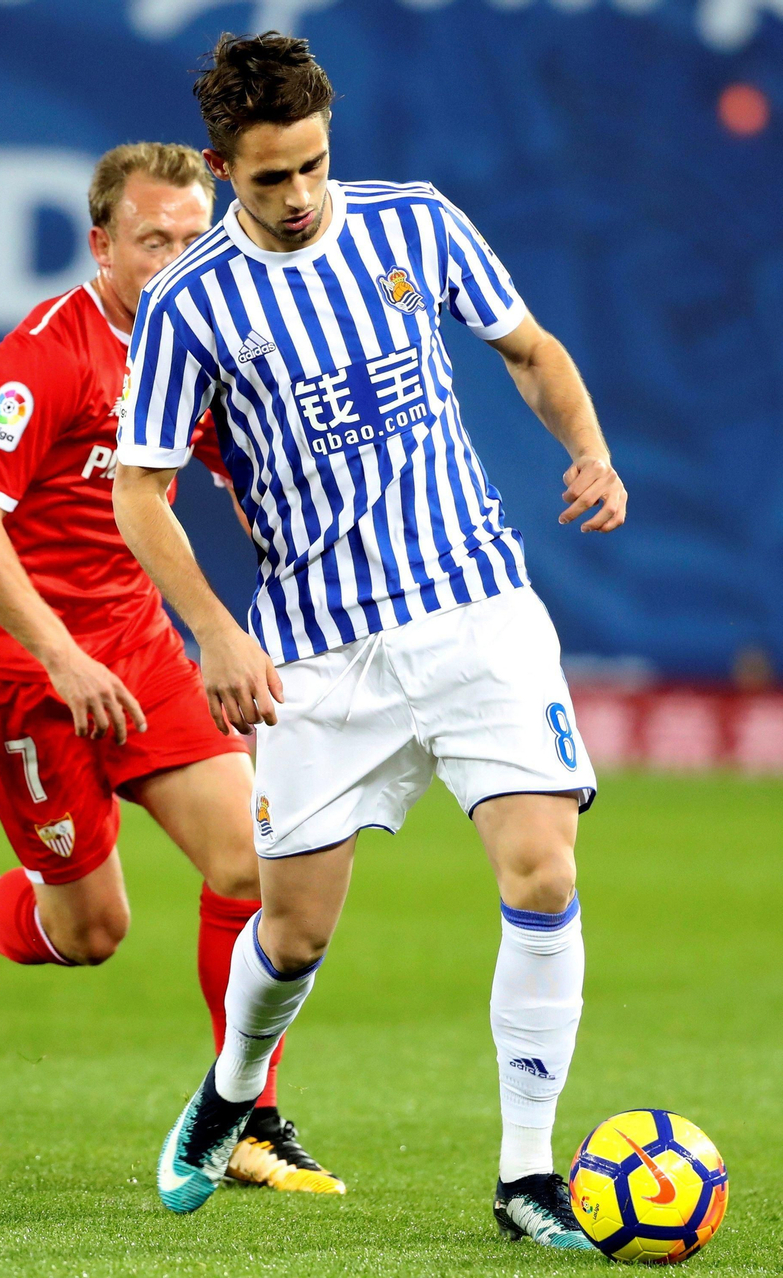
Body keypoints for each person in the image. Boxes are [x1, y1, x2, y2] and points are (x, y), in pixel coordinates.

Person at [114, 34, 627, 1238]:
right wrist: (217, 634)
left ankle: (525, 1176)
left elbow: (528, 350)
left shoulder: (416, 226)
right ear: (219, 167)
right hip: (314, 656)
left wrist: (589, 449)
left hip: (475, 610)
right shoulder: (189, 301)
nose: (296, 200)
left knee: (543, 872)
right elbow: (141, 491)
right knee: (289, 935)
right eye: (266, 180)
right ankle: (230, 1096)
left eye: (310, 168)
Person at [0, 142, 342, 1194]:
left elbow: (233, 465)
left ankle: (245, 1115)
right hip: (15, 664)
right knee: (90, 929)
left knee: (253, 862)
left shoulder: (201, 340)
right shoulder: (46, 357)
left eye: (193, 238)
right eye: (151, 241)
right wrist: (57, 657)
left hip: (132, 638)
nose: (174, 260)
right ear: (101, 243)